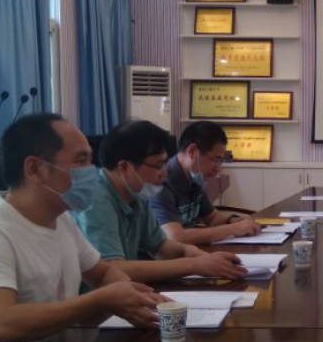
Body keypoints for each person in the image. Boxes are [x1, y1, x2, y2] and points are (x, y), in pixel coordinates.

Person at [0, 114, 166, 342]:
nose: (91, 171)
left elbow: (102, 273)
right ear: (35, 169)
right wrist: (100, 301)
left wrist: (138, 299)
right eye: (81, 161)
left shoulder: (61, 218)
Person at [75, 121, 248, 283]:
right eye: (158, 166)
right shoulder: (95, 199)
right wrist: (194, 265)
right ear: (125, 167)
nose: (165, 174)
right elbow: (112, 269)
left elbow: (160, 246)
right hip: (100, 301)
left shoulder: (137, 194)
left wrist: (195, 254)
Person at [150, 122, 261, 245]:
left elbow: (212, 218)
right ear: (192, 151)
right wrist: (233, 229)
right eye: (215, 160)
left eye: (221, 161)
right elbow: (175, 237)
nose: (218, 168)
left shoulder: (195, 176)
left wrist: (233, 221)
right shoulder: (161, 181)